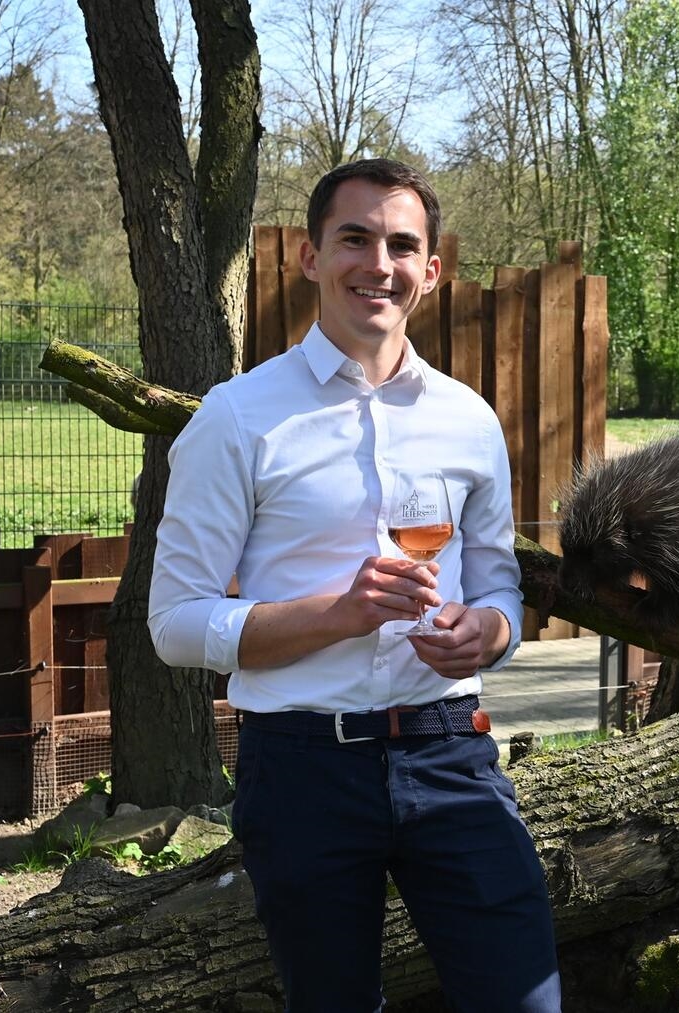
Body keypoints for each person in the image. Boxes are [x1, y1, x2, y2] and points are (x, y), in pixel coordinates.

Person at [149, 159, 562, 1012]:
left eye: (402, 244)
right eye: (355, 239)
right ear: (309, 256)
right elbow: (175, 622)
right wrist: (339, 615)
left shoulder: (468, 419)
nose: (380, 263)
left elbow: (500, 591)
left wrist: (483, 635)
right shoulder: (236, 417)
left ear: (432, 270)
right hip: (302, 768)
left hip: (452, 749)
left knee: (522, 999)